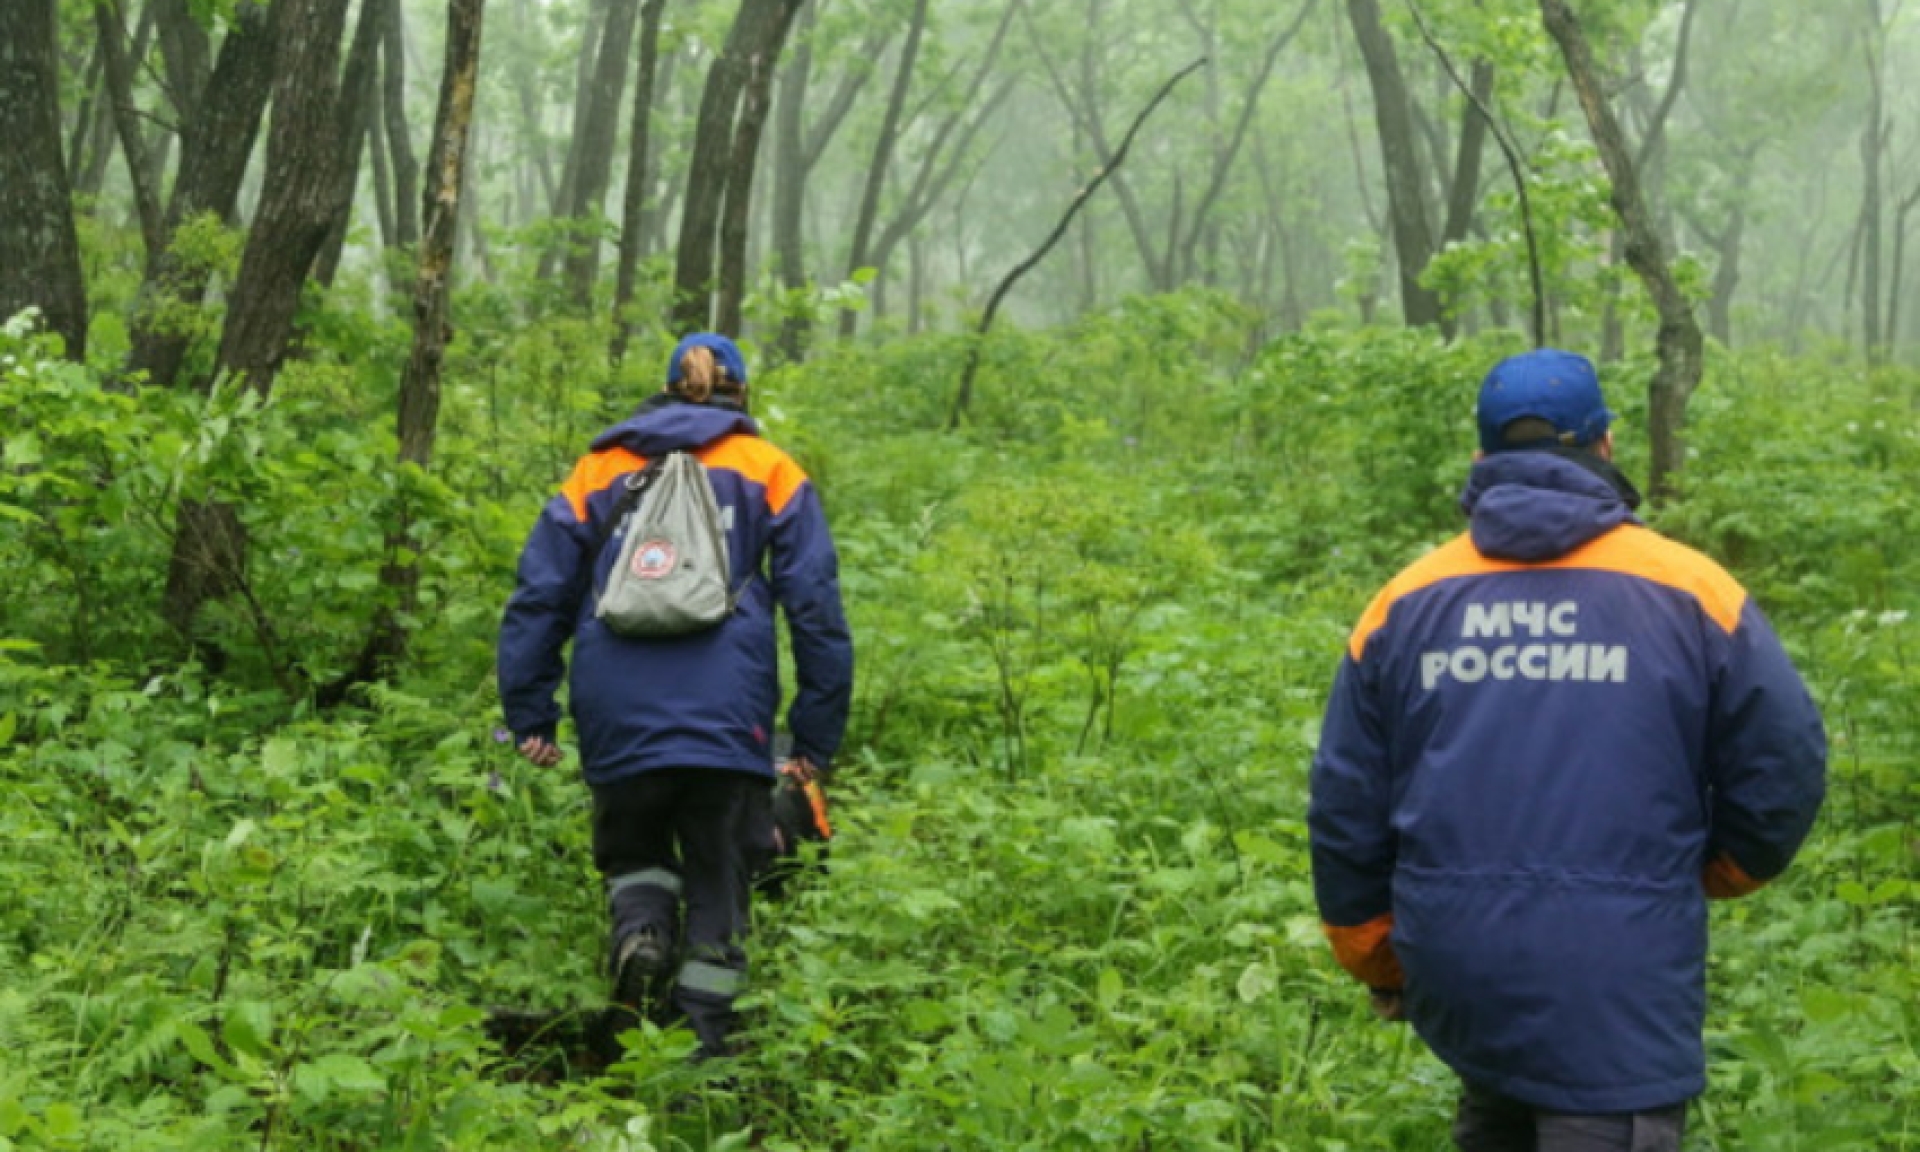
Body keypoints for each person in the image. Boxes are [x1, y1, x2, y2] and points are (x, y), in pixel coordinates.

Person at [1308, 348, 1825, 1150]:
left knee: (1500, 1106)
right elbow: (1784, 761)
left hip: (1463, 975)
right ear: (1607, 447)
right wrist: (1719, 871)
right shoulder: (1693, 591)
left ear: (1484, 459)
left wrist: (1379, 958)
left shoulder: (1404, 602)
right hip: (1618, 992)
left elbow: (1346, 801)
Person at [497, 332, 853, 1059]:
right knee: (720, 873)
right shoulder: (770, 470)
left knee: (633, 848)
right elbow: (815, 608)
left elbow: (539, 596)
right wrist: (814, 738)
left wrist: (531, 712)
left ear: (666, 390)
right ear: (740, 396)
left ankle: (642, 936)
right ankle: (703, 1053)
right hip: (728, 719)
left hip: (615, 707)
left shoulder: (600, 469)